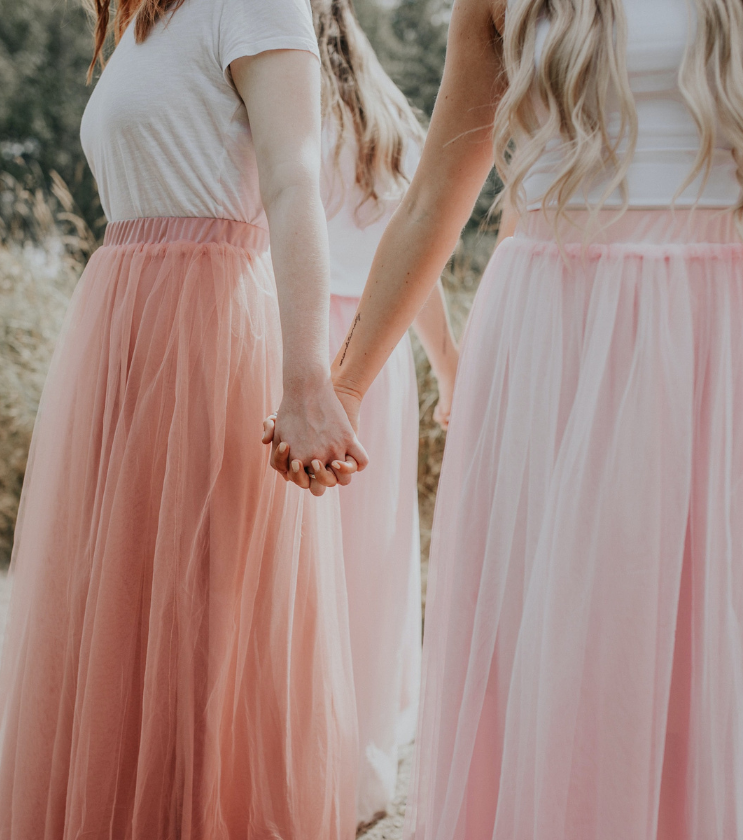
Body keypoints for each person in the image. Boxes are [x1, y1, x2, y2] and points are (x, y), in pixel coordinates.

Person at [272, 0, 743, 837]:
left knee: (710, 661)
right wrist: (341, 391)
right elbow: (431, 204)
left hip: (717, 331)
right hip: (557, 341)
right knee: (574, 658)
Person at [0, 0, 369, 836]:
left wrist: (307, 380)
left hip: (205, 331)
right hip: (122, 325)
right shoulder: (141, 22)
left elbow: (295, 181)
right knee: (114, 615)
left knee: (197, 619)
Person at [314, 0, 459, 825]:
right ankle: (362, 768)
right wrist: (445, 367)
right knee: (375, 560)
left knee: (301, 565)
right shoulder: (390, 119)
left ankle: (299, 748)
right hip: (385, 349)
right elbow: (423, 260)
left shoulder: (276, 99)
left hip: (304, 344)